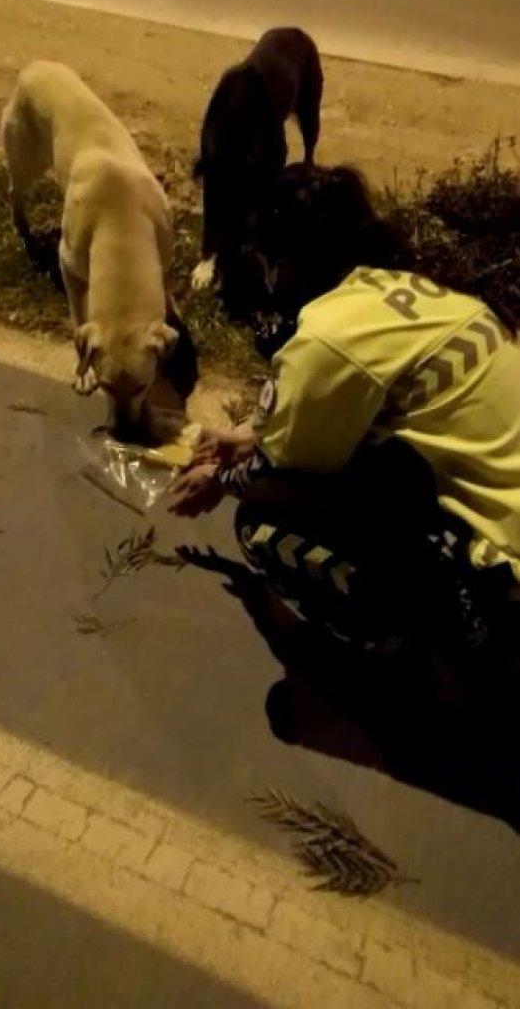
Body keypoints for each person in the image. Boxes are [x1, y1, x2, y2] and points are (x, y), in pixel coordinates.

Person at [170, 164, 520, 677]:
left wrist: (219, 479)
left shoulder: (327, 336)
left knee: (262, 523)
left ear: (282, 267)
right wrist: (245, 438)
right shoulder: (414, 294)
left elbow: (275, 470)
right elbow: (338, 408)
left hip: (505, 581)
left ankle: (418, 651)